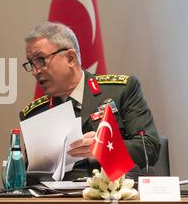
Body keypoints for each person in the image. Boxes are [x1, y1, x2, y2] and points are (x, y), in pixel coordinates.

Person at [19, 22, 160, 178]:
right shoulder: (36, 114)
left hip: (113, 196)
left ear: (70, 58)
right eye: (31, 63)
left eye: (40, 60)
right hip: (57, 200)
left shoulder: (121, 91)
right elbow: (31, 177)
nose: (35, 71)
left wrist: (104, 147)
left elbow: (149, 148)